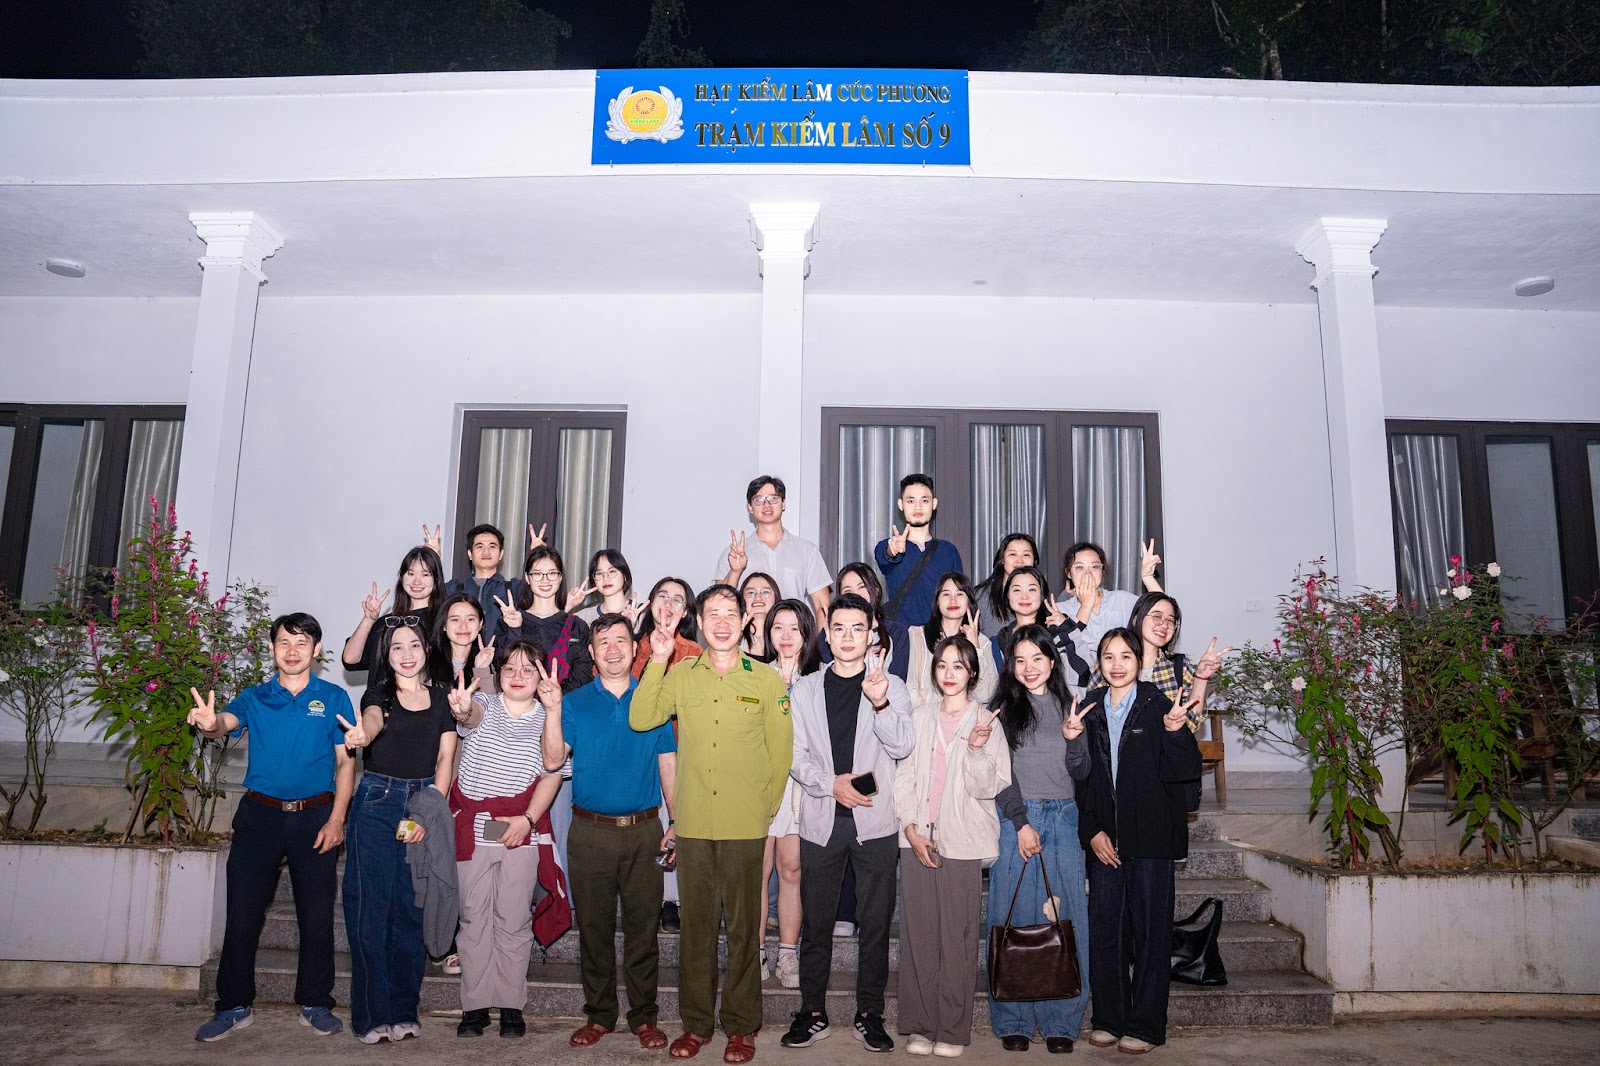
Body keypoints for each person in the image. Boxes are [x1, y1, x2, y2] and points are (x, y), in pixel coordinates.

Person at [631, 584, 793, 1065]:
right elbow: (642, 717)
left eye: (730, 613)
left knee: (744, 931)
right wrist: (658, 659)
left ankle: (741, 1027)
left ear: (745, 622)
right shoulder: (682, 674)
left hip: (745, 824)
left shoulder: (765, 680)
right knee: (697, 930)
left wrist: (763, 810)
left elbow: (780, 754)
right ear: (699, 622)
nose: (722, 622)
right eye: (712, 614)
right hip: (695, 824)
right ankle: (697, 1025)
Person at [187, 613, 354, 1042]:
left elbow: (345, 763)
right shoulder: (255, 696)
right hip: (259, 816)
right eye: (284, 643)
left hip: (315, 817)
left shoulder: (334, 697)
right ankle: (233, 1005)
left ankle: (315, 1003)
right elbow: (223, 723)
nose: (292, 651)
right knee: (242, 915)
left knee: (316, 917)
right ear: (272, 648)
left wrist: (337, 819)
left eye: (302, 643)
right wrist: (210, 723)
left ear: (317, 649)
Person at [781, 594, 916, 1054]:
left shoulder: (891, 686)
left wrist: (880, 704)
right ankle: (812, 1012)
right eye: (838, 627)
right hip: (822, 819)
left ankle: (870, 1013)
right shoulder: (805, 689)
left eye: (857, 628)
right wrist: (830, 784)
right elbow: (795, 755)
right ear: (827, 634)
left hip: (875, 822)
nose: (847, 637)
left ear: (871, 632)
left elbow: (902, 746)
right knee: (817, 923)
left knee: (874, 924)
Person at [542, 614, 678, 1051]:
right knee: (594, 929)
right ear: (592, 652)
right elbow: (552, 760)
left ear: (635, 648)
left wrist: (676, 822)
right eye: (604, 642)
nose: (614, 650)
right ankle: (599, 1015)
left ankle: (644, 1017)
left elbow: (668, 763)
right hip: (589, 832)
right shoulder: (575, 702)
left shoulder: (653, 699)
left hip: (644, 832)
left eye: (622, 641)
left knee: (644, 929)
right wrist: (551, 710)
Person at [1067, 629, 1203, 1055]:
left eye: (1126, 655)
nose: (1117, 664)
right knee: (1106, 932)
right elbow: (1083, 783)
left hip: (1151, 839)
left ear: (1139, 661)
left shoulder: (1158, 705)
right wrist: (1092, 831)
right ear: (1100, 663)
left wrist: (1177, 733)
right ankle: (1109, 1018)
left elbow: (1185, 773)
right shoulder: (1089, 710)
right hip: (1104, 841)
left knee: (1150, 934)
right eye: (1108, 656)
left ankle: (1145, 1024)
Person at [336, 619, 458, 1043]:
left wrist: (427, 815)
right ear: (386, 657)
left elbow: (445, 761)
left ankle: (404, 1010)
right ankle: (371, 1016)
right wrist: (361, 735)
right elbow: (372, 720)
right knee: (371, 911)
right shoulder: (379, 694)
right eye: (397, 648)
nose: (407, 655)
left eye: (414, 646)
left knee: (411, 910)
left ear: (427, 650)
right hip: (377, 803)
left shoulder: (443, 698)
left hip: (422, 803)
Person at [446, 639, 572, 1039]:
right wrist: (462, 708)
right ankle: (475, 1005)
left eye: (528, 669)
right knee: (473, 920)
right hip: (474, 832)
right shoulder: (486, 704)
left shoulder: (551, 717)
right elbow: (469, 715)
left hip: (520, 833)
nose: (518, 676)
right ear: (499, 674)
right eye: (510, 668)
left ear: (541, 677)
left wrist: (528, 820)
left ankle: (511, 1004)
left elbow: (553, 770)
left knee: (514, 921)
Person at [894, 635, 1010, 1057]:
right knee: (919, 936)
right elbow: (904, 776)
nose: (949, 673)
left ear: (972, 673)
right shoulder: (920, 715)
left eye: (958, 665)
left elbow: (989, 787)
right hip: (917, 840)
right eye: (942, 664)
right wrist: (910, 828)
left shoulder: (985, 720)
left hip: (962, 843)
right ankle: (921, 1026)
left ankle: (953, 1029)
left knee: (957, 940)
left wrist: (976, 750)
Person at [986, 624, 1093, 1054]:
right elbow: (998, 772)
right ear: (1011, 666)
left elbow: (1081, 771)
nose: (1029, 667)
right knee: (1011, 915)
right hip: (1017, 817)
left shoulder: (1072, 705)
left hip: (1064, 817)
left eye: (1037, 658)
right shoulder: (1001, 709)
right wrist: (1021, 822)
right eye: (1020, 660)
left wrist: (1074, 740)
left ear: (1052, 661)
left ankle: (1061, 1021)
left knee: (1065, 917)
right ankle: (1012, 1017)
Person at [502, 545, 592, 873]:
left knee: (558, 823)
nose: (544, 579)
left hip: (560, 730)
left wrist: (553, 698)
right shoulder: (513, 619)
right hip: (517, 730)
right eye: (537, 573)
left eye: (552, 573)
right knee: (511, 813)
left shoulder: (576, 626)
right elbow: (504, 670)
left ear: (561, 578)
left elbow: (583, 674)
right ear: (527, 578)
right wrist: (513, 629)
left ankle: (558, 893)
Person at [631, 575, 701, 936]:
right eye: (662, 596)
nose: (669, 604)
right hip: (635, 751)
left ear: (685, 611)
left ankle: (672, 900)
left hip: (678, 752)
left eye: (678, 599)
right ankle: (647, 896)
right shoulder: (632, 645)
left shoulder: (695, 653)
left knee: (676, 822)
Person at [760, 598, 822, 989]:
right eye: (778, 627)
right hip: (760, 787)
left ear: (807, 634)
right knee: (757, 872)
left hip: (800, 788)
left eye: (794, 628)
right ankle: (753, 952)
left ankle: (787, 953)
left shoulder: (819, 679)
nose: (786, 636)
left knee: (791, 870)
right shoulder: (755, 675)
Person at [713, 475, 832, 620]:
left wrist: (821, 635)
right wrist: (735, 571)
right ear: (750, 507)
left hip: (792, 632)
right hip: (749, 633)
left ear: (783, 503)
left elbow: (822, 606)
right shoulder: (734, 553)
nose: (767, 504)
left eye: (773, 498)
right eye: (759, 500)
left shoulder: (807, 550)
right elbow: (718, 603)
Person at [1057, 540, 1163, 675]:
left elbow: (1163, 613)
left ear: (1102, 571)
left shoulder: (1122, 600)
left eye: (1095, 567)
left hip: (1125, 678)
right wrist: (1086, 605)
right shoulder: (1060, 610)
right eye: (1080, 567)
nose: (1088, 573)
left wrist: (1148, 578)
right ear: (1068, 573)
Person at [873, 474, 964, 627]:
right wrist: (892, 551)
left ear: (934, 504)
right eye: (911, 501)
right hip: (903, 636)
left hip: (940, 636)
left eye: (924, 500)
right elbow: (885, 556)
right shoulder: (889, 545)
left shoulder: (948, 551)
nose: (918, 506)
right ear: (901, 504)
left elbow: (961, 594)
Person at [343, 546, 447, 675]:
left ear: (436, 579)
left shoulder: (443, 623)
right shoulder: (387, 622)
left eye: (425, 574)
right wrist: (368, 619)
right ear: (402, 577)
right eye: (411, 574)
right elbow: (350, 660)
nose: (417, 581)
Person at [906, 573, 997, 708]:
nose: (953, 600)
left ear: (969, 601)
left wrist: (975, 648)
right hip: (924, 715)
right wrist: (931, 714)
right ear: (937, 601)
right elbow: (910, 687)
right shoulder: (917, 636)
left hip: (966, 717)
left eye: (959, 594)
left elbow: (985, 694)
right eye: (946, 594)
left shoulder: (982, 642)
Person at [991, 566, 1091, 685]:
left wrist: (1066, 628)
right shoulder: (1000, 640)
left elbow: (1084, 672)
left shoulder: (1058, 629)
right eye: (1017, 590)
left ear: (1042, 594)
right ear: (1007, 595)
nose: (1024, 596)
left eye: (1032, 589)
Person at [835, 562, 910, 681]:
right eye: (848, 591)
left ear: (876, 590)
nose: (856, 595)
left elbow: (898, 682)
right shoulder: (832, 633)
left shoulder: (896, 632)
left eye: (861, 587)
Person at [443, 523, 513, 641]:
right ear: (470, 554)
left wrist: (538, 553)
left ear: (501, 554)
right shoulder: (453, 589)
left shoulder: (514, 589)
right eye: (480, 547)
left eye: (492, 546)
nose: (486, 552)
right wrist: (431, 556)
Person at [975, 534, 1040, 638]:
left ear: (1034, 561)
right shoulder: (982, 595)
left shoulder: (1038, 592)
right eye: (1013, 554)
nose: (1019, 560)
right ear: (1002, 559)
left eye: (1026, 555)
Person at [574, 548, 640, 625]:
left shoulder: (642, 613)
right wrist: (568, 606)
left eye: (612, 571)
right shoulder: (583, 618)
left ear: (624, 575)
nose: (605, 578)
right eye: (599, 573)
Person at [740, 571, 780, 660]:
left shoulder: (785, 638)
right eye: (751, 593)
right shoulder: (734, 637)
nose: (758, 597)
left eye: (765, 592)